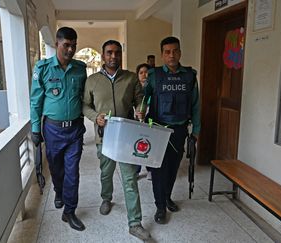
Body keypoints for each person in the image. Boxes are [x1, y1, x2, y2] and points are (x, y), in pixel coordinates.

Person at [82, 40, 151, 241]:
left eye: (117, 53)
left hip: (126, 137)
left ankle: (135, 223)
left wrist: (141, 110)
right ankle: (106, 198)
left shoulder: (130, 78)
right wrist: (96, 117)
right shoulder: (92, 80)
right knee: (106, 172)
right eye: (110, 53)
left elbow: (140, 99)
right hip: (104, 137)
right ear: (103, 56)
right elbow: (85, 105)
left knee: (130, 179)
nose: (114, 56)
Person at [30, 27, 87, 231]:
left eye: (74, 45)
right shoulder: (43, 68)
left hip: (74, 130)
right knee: (56, 168)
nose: (70, 49)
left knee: (73, 171)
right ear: (57, 44)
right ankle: (59, 191)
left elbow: (85, 97)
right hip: (52, 129)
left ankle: (69, 211)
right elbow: (35, 101)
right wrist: (35, 129)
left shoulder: (80, 68)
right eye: (66, 45)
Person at [144, 36, 200, 224]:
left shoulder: (190, 76)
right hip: (158, 130)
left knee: (173, 167)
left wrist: (196, 130)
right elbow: (142, 99)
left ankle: (167, 197)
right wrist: (139, 112)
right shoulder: (154, 75)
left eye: (175, 51)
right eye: (167, 52)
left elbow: (196, 105)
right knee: (159, 169)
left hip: (180, 130)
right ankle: (160, 206)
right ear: (162, 55)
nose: (172, 55)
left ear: (180, 53)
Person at [134, 63, 152, 180]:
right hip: (137, 121)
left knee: (151, 144)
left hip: (150, 120)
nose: (144, 75)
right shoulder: (134, 89)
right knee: (137, 145)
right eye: (141, 72)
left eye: (147, 72)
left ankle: (150, 169)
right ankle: (136, 170)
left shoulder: (153, 87)